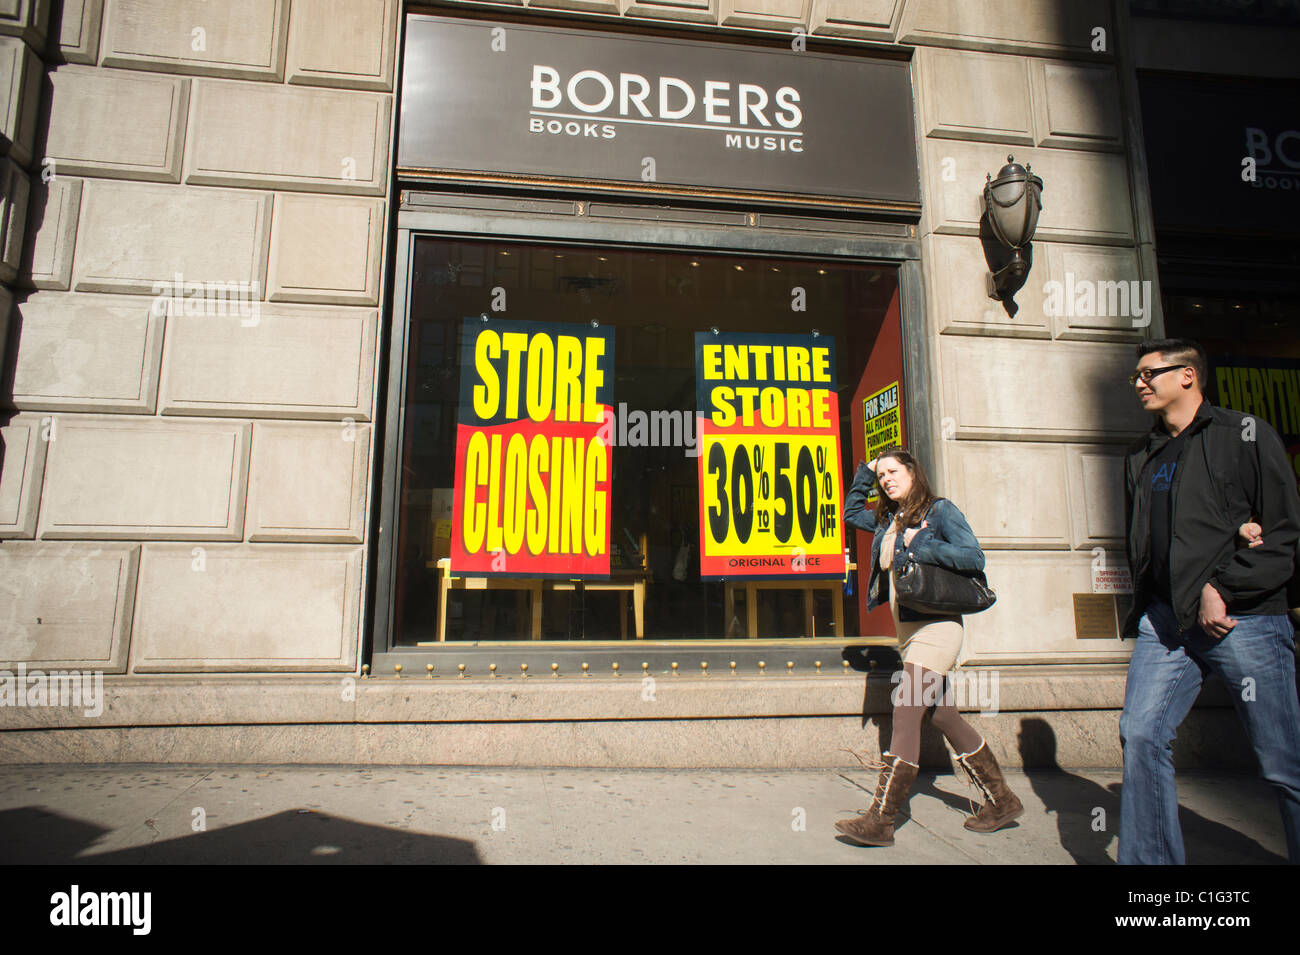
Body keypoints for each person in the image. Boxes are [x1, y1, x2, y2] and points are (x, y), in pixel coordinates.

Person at [1119, 338, 1300, 864]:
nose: (1139, 383)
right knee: (1142, 736)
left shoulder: (1243, 435)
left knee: (1283, 761)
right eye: (1136, 375)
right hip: (1165, 622)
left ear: (1188, 376)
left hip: (1243, 620)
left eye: (1149, 373)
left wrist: (1223, 588)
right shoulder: (1140, 454)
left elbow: (1285, 534)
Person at [834, 447, 1022, 846]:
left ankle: (881, 820)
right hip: (909, 633)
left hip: (937, 628)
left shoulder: (939, 511)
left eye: (892, 471)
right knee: (943, 718)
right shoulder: (888, 519)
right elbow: (851, 513)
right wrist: (863, 473)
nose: (886, 479)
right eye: (881, 474)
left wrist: (921, 546)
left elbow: (974, 556)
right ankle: (1002, 801)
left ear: (912, 472)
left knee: (905, 712)